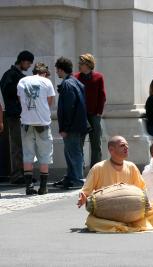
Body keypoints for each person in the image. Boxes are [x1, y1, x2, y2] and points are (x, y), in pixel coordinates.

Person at [77, 136, 153, 232]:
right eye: (122, 145)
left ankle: (121, 226)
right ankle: (131, 225)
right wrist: (83, 198)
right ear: (111, 150)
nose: (126, 147)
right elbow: (85, 191)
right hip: (108, 215)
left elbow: (142, 189)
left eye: (127, 145)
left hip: (132, 213)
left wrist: (146, 202)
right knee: (91, 221)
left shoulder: (131, 167)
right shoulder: (98, 168)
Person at [17, 63, 55, 195]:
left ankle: (29, 187)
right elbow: (49, 102)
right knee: (45, 155)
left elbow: (20, 100)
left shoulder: (22, 81)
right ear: (44, 73)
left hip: (26, 123)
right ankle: (43, 187)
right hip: (42, 123)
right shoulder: (47, 82)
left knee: (28, 155)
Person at [0, 50, 34, 184]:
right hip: (15, 115)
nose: (29, 66)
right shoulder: (12, 76)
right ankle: (17, 175)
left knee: (23, 145)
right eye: (29, 63)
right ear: (23, 61)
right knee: (17, 145)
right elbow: (8, 93)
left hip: (18, 114)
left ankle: (24, 174)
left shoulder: (14, 75)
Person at [55, 57, 87, 189]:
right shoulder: (76, 82)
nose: (56, 72)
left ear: (61, 70)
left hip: (72, 126)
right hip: (79, 124)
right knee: (73, 151)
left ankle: (78, 179)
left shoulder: (67, 84)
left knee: (73, 152)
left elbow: (68, 108)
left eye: (57, 70)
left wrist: (64, 128)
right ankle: (71, 177)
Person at [74, 53, 106, 168]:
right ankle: (79, 169)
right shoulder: (76, 77)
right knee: (79, 143)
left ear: (88, 64)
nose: (79, 65)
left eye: (81, 63)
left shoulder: (98, 77)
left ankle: (96, 168)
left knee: (96, 143)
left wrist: (99, 112)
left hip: (94, 115)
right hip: (81, 115)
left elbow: (102, 95)